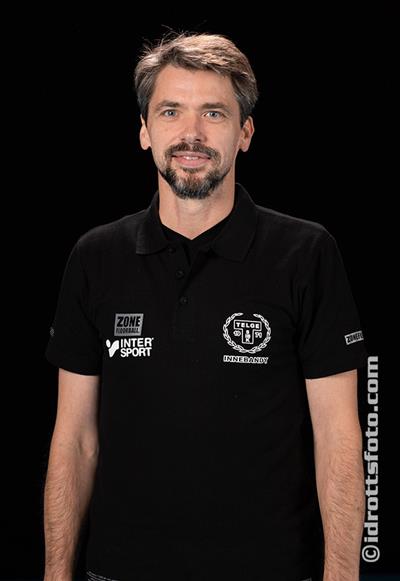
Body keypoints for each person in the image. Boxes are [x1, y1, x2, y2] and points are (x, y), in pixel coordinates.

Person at [43, 32, 368, 581]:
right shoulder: (95, 257)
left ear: (245, 133)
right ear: (144, 130)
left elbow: (338, 438)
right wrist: (56, 574)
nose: (190, 133)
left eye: (214, 113)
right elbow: (74, 440)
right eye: (171, 111)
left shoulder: (307, 254)